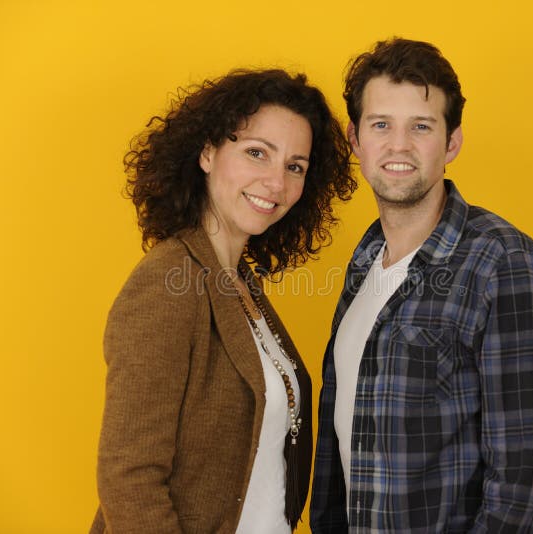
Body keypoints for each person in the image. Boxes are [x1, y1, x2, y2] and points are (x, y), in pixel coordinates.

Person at [310, 38, 533, 533]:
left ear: (452, 143)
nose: (399, 146)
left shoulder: (505, 263)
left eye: (421, 127)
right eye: (381, 125)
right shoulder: (366, 259)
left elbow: (527, 480)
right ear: (355, 138)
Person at [90, 69, 355, 533]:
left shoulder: (239, 283)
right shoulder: (169, 282)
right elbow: (128, 478)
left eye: (295, 166)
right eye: (257, 153)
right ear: (209, 152)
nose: (275, 182)